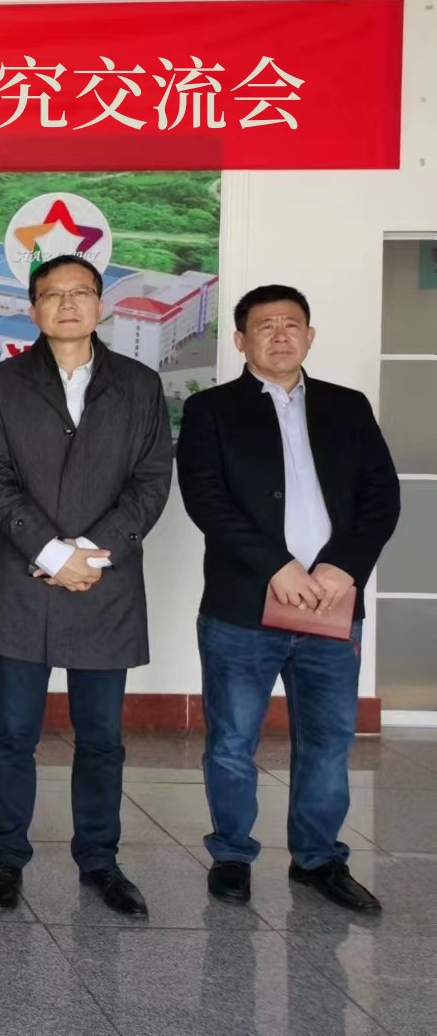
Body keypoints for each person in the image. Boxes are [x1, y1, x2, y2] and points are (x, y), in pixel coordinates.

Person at [177, 285, 399, 912]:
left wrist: (343, 569)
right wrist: (276, 566)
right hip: (243, 607)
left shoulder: (347, 407)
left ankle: (318, 859)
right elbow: (206, 500)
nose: (280, 335)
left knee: (328, 740)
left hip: (332, 603)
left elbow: (381, 495)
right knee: (232, 741)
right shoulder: (211, 410)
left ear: (310, 335)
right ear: (240, 339)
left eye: (292, 324)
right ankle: (231, 854)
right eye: (265, 325)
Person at [0, 253, 173, 917]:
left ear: (100, 305)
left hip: (104, 586)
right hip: (25, 581)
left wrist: (88, 552)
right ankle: (6, 858)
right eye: (52, 295)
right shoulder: (1, 384)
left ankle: (100, 861)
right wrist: (51, 551)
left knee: (102, 738)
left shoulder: (139, 385)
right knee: (13, 734)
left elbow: (151, 481)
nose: (66, 305)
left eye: (80, 293)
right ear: (33, 309)